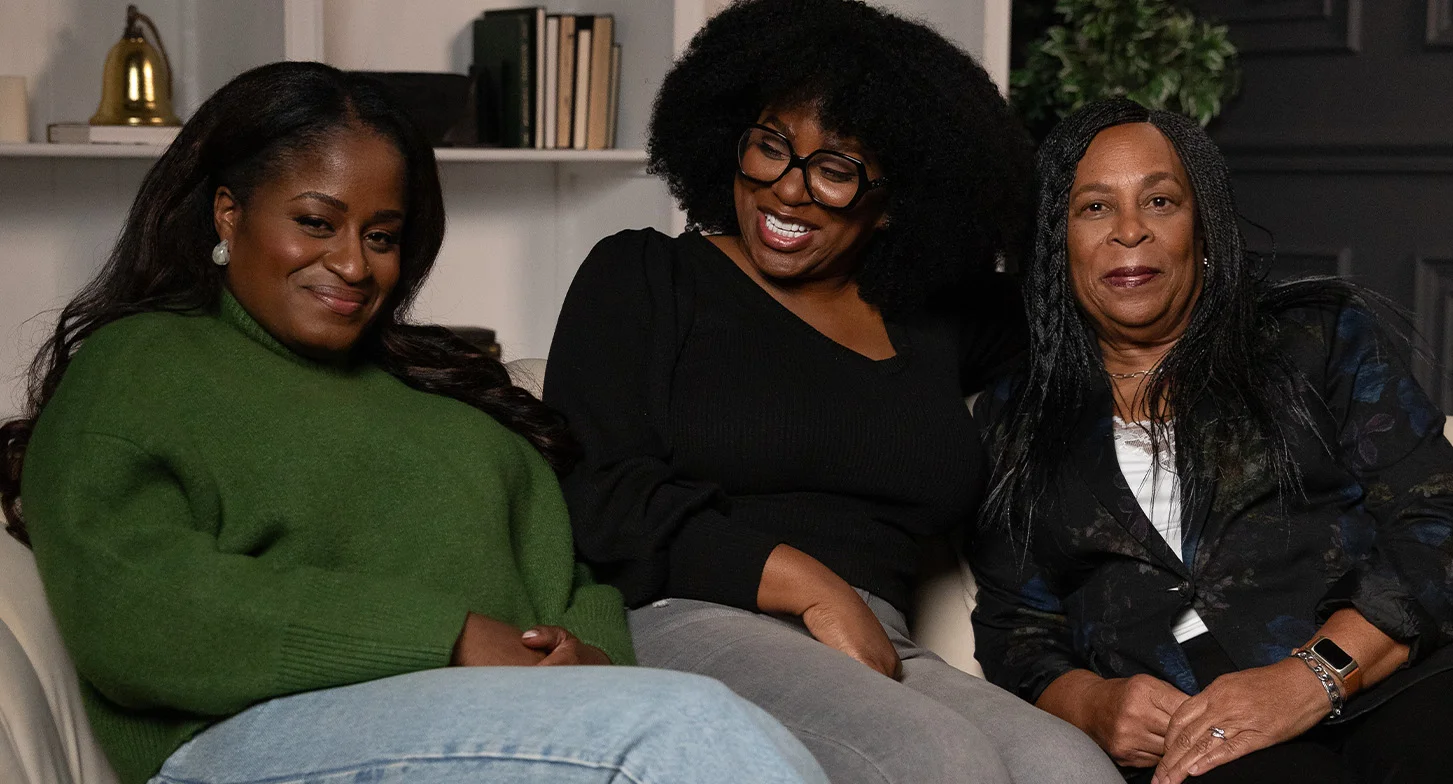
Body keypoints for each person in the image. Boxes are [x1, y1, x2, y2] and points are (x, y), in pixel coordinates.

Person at [0, 61, 827, 784]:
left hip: (496, 721)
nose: (356, 264)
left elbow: (563, 575)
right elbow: (140, 610)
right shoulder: (140, 365)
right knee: (684, 730)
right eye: (316, 223)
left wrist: (586, 653)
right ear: (227, 212)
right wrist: (450, 637)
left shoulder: (442, 392)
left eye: (383, 234)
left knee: (692, 723)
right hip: (242, 742)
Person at [543, 1, 1121, 782]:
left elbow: (1088, 309)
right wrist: (808, 585)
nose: (789, 190)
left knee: (1066, 767)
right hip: (684, 617)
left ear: (895, 202)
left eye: (837, 168)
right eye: (771, 148)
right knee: (935, 758)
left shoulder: (928, 317)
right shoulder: (646, 276)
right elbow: (594, 489)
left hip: (879, 639)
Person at [970, 97, 1453, 784]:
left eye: (1159, 201)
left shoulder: (1315, 339)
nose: (1128, 232)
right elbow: (1015, 629)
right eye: (1094, 208)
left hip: (1393, 679)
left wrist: (1312, 675)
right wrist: (1093, 703)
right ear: (1057, 243)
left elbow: (1435, 520)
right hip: (1198, 736)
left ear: (1200, 230)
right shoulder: (1013, 418)